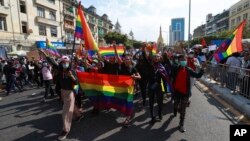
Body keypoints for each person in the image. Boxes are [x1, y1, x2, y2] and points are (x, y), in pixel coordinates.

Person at [39, 50, 84, 140]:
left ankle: (65, 130)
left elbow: (76, 83)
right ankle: (79, 115)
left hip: (70, 93)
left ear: (69, 63)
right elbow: (51, 61)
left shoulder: (72, 71)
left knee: (65, 112)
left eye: (66, 62)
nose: (64, 63)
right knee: (71, 106)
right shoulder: (59, 70)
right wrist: (44, 54)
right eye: (63, 62)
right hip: (63, 92)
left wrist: (72, 77)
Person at [171, 54, 204, 132]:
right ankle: (176, 110)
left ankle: (181, 125)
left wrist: (202, 69)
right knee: (176, 105)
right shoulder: (175, 68)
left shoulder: (189, 70)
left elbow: (198, 75)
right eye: (181, 60)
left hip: (185, 93)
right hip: (177, 92)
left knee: (183, 110)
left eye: (184, 60)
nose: (183, 61)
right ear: (179, 61)